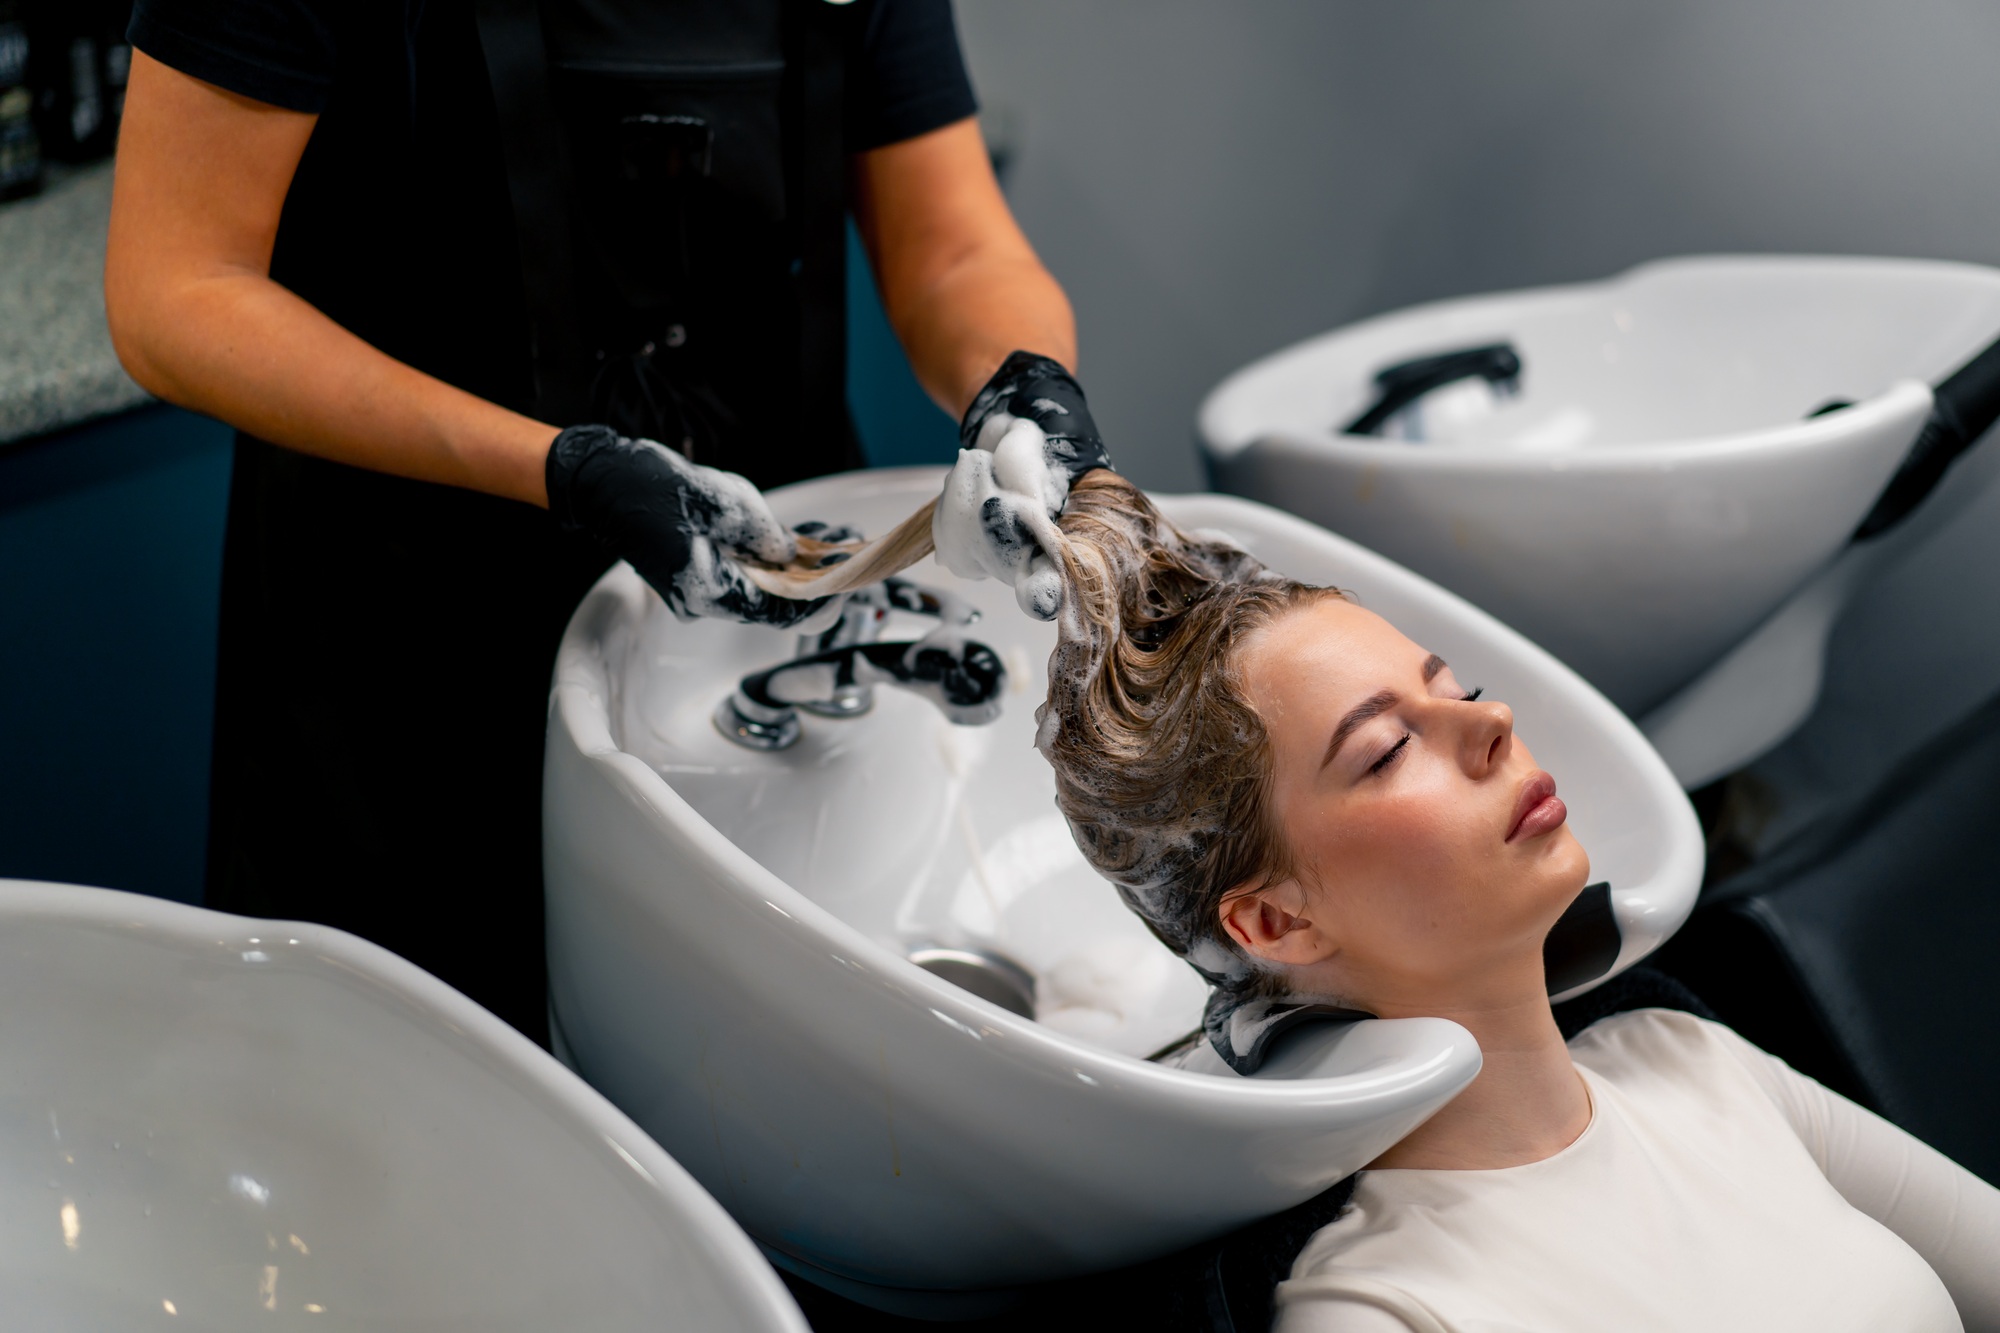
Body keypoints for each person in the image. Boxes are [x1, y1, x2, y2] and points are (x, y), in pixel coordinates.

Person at [103, 0, 1108, 1042]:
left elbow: (948, 248)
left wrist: (1018, 386)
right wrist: (562, 466)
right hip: (405, 659)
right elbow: (174, 290)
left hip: (760, 619)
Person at [1034, 473, 2000, 1332]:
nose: (1493, 723)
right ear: (1276, 922)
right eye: (1387, 749)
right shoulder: (1384, 1305)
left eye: (1460, 689)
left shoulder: (1690, 1060)